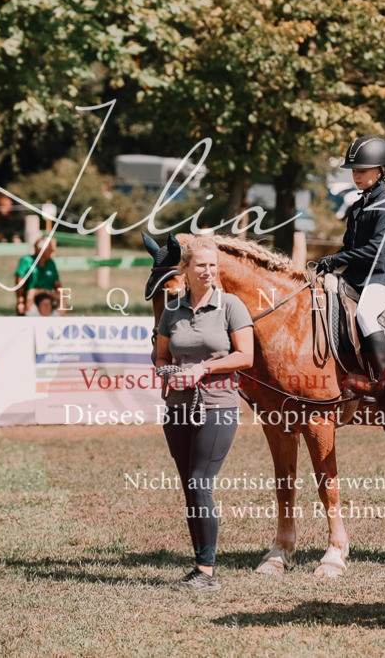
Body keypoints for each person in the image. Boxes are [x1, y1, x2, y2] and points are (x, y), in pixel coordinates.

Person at [155, 236, 254, 591]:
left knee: (200, 483)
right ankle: (200, 564)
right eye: (200, 265)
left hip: (218, 405)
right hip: (177, 408)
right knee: (190, 488)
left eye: (213, 265)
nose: (208, 271)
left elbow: (246, 356)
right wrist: (168, 373)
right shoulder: (172, 310)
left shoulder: (231, 306)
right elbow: (161, 357)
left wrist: (202, 370)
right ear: (186, 270)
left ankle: (207, 572)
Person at [316, 135, 385, 385]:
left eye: (362, 170)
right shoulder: (356, 207)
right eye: (354, 170)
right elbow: (349, 247)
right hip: (357, 275)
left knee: (365, 315)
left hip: (381, 276)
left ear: (380, 171)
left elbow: (375, 250)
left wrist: (335, 259)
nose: (356, 175)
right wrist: (330, 266)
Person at [15, 236, 62, 315]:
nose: (52, 250)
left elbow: (57, 284)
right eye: (49, 248)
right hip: (31, 300)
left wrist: (61, 298)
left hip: (48, 299)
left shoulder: (51, 264)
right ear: (41, 250)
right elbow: (20, 282)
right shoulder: (27, 261)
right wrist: (21, 301)